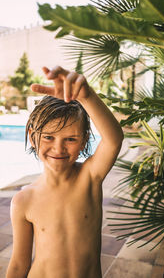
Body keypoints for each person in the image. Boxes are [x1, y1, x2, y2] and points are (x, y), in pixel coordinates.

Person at [6, 66, 124, 278]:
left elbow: (114, 139)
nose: (58, 149)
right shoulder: (24, 200)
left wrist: (87, 97)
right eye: (49, 137)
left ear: (84, 140)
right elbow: (18, 264)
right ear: (33, 137)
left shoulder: (89, 178)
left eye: (70, 139)